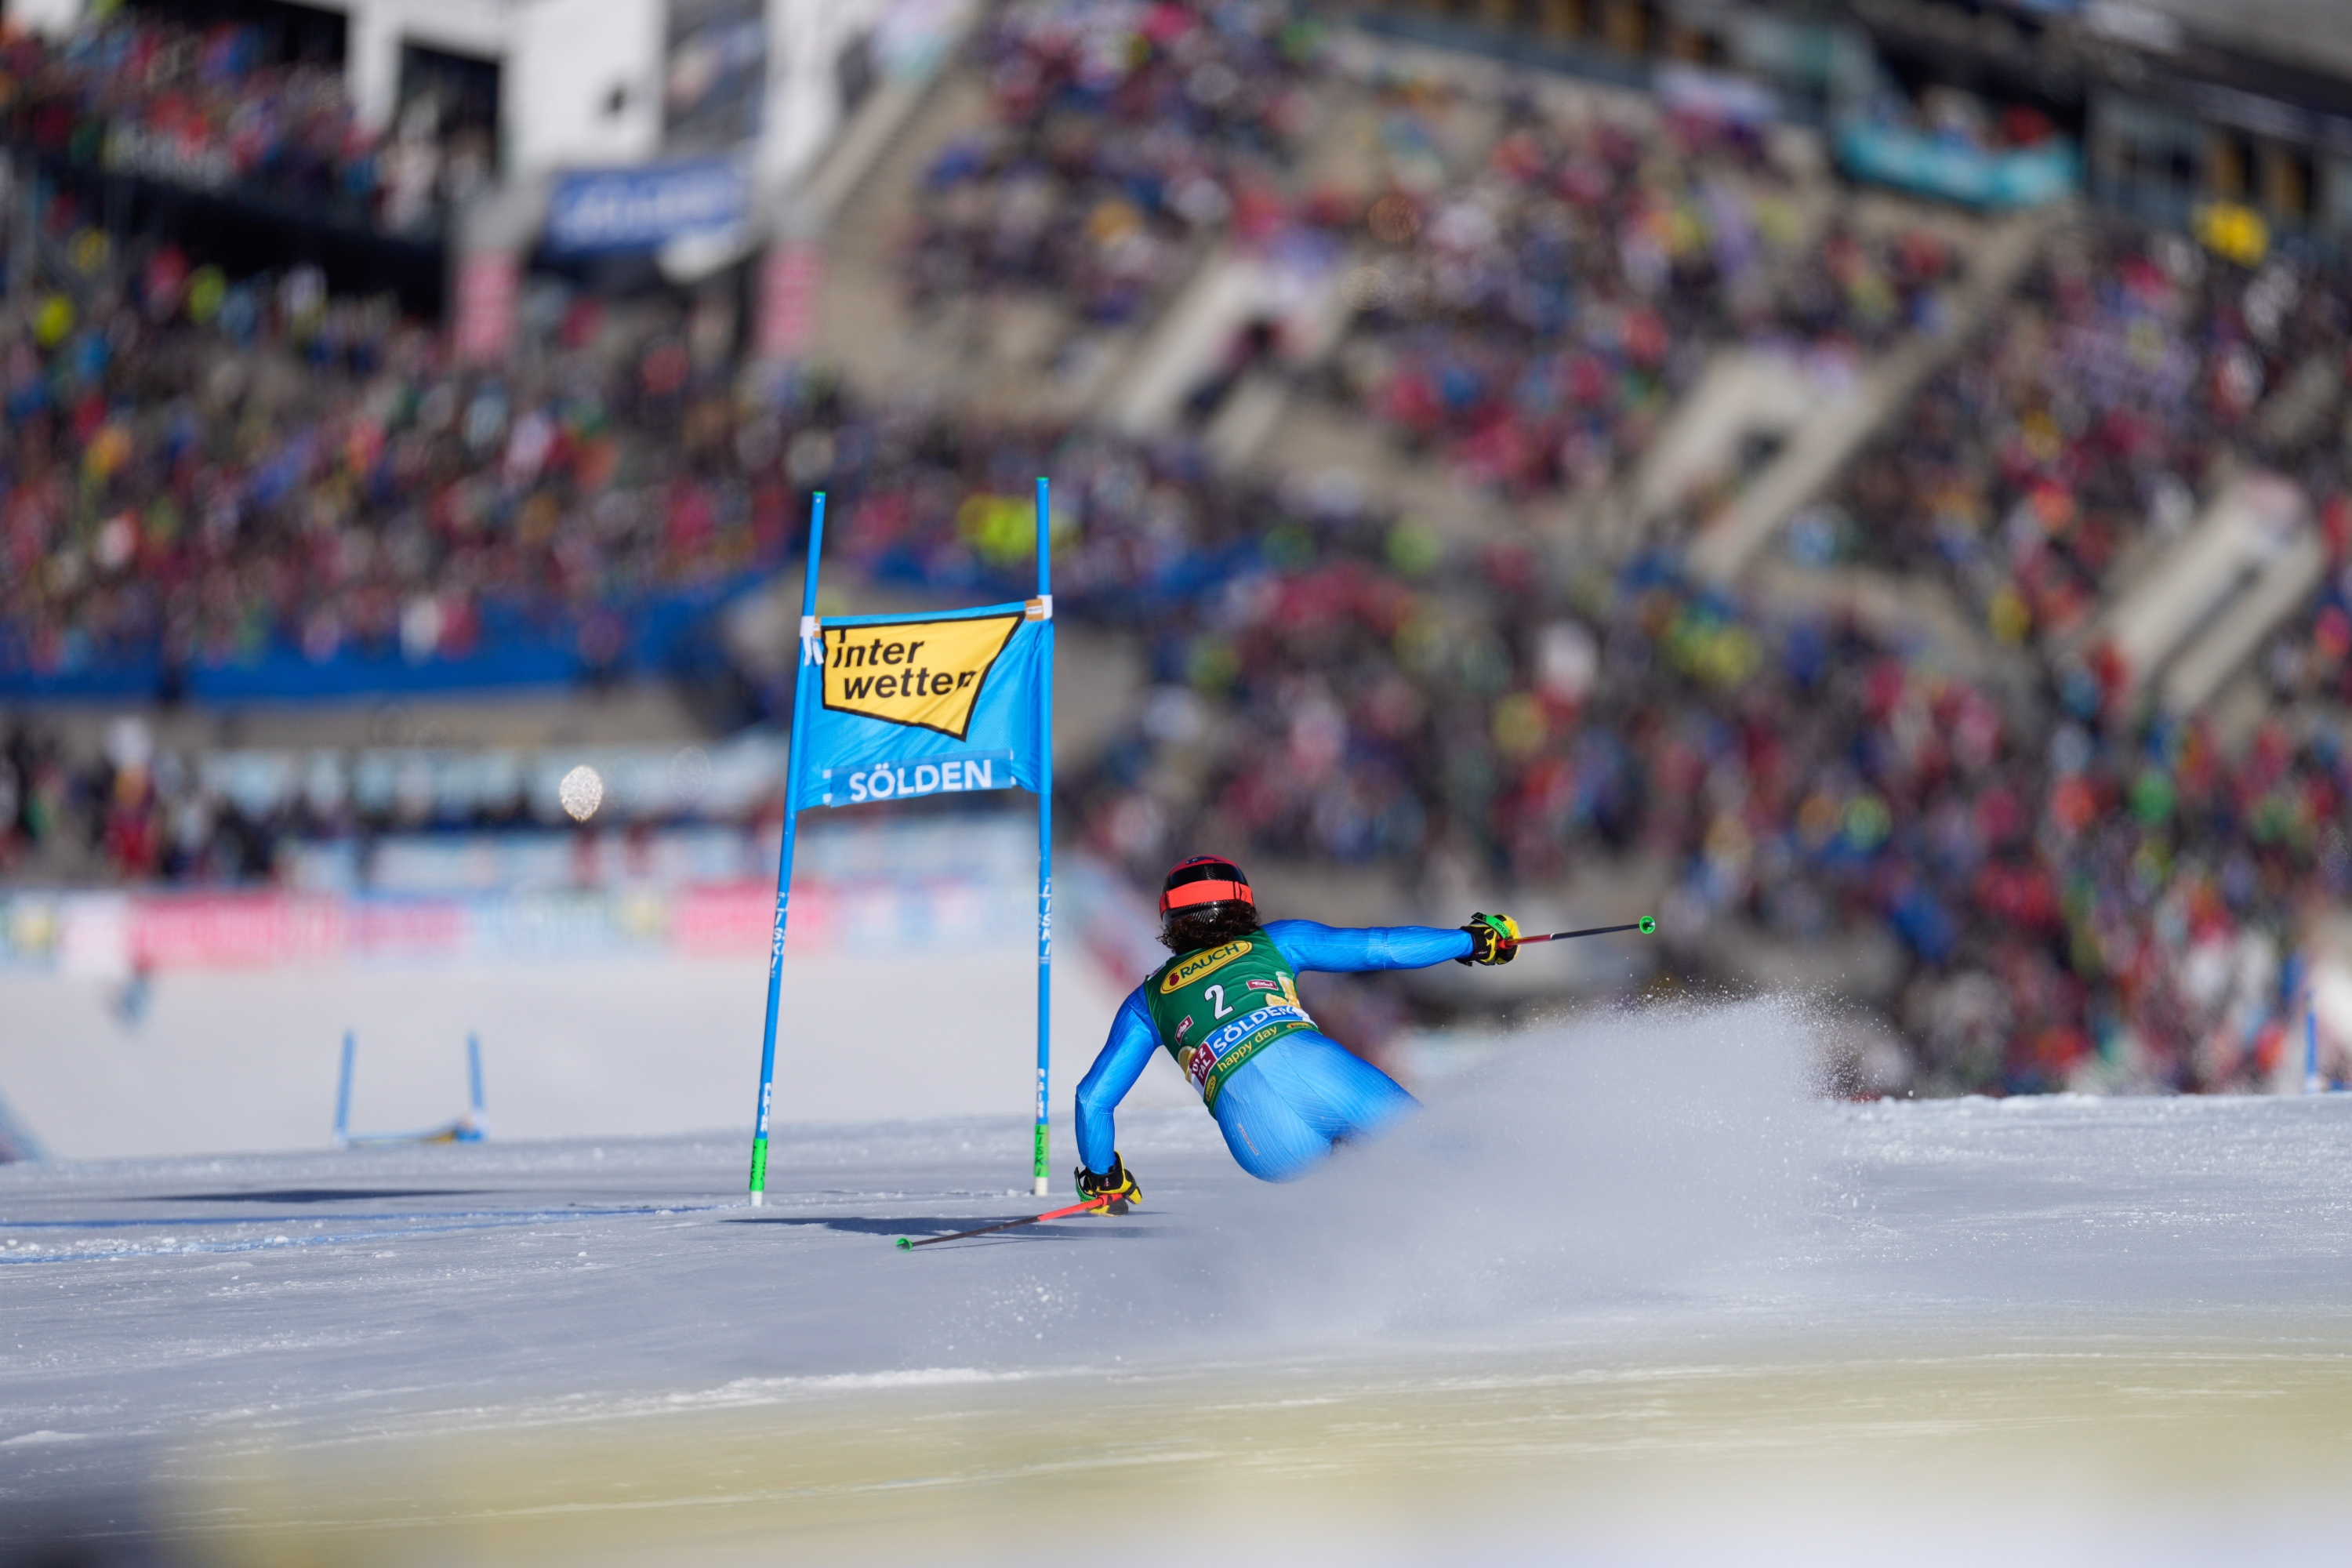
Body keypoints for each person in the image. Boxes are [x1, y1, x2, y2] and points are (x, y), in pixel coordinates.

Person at [1073, 855, 1519, 1206]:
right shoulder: (1276, 941)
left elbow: (1093, 1099)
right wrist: (1473, 941)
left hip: (1259, 1140)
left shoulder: (1147, 1000)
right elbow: (1379, 948)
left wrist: (1103, 1177)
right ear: (1242, 901)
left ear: (1170, 920)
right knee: (1438, 1155)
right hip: (1320, 1073)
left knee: (1348, 1201)